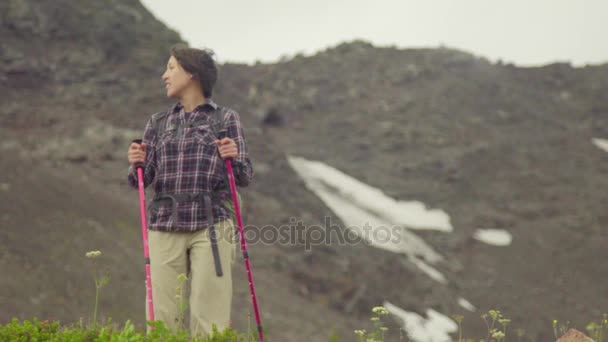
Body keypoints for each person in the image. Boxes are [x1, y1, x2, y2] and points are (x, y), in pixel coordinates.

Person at [126, 44, 253, 337]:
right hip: (163, 225)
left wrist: (233, 158)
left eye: (171, 67)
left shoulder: (225, 120)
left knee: (210, 319)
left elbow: (244, 176)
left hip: (211, 225)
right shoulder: (158, 123)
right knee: (161, 320)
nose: (164, 75)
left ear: (192, 73)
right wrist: (137, 164)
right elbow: (142, 181)